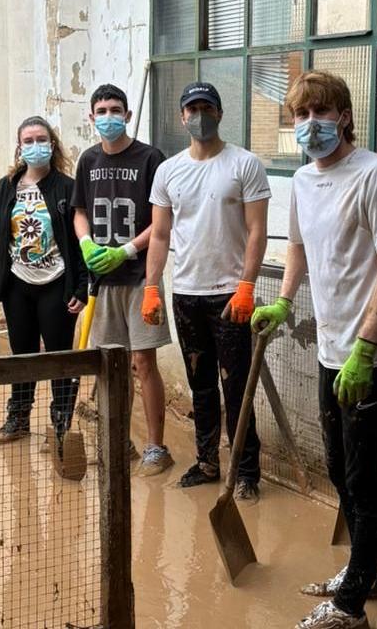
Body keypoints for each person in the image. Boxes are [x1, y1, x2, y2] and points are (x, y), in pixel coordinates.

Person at [251, 71, 377, 629]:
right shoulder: (300, 180)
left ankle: (349, 608)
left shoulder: (376, 174)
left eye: (321, 112)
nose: (309, 124)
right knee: (341, 470)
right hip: (330, 350)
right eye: (299, 115)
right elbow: (297, 246)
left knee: (370, 480)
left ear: (344, 115)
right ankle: (362, 575)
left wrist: (366, 349)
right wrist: (284, 301)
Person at [143, 81, 270, 501]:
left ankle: (246, 470)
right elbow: (159, 235)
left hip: (231, 295)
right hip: (188, 294)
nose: (199, 115)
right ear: (182, 116)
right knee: (201, 386)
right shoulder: (169, 171)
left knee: (236, 387)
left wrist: (247, 285)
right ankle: (207, 463)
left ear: (219, 112)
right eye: (191, 108)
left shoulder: (244, 164)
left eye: (206, 107)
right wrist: (152, 288)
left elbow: (256, 231)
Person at [0, 116, 86, 456]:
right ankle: (18, 418)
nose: (35, 145)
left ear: (52, 145)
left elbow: (78, 240)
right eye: (28, 139)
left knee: (59, 359)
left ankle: (61, 424)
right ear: (19, 146)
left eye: (41, 138)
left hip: (57, 284)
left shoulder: (67, 187)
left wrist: (81, 288)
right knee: (21, 356)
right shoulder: (6, 186)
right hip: (18, 287)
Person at [71, 83, 174, 476]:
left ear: (128, 116)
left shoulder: (151, 158)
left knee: (143, 361)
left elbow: (161, 221)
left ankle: (156, 447)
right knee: (111, 365)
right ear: (91, 117)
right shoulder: (88, 160)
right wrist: (85, 244)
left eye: (116, 109)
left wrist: (127, 250)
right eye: (101, 110)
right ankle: (119, 441)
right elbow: (80, 211)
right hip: (103, 279)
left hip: (138, 277)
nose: (109, 116)